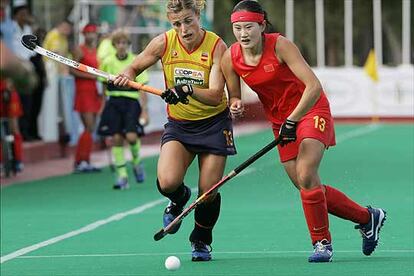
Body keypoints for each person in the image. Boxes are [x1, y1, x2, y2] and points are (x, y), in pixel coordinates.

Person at [221, 0, 386, 263]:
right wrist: (235, 104)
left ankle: (322, 244)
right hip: (280, 121)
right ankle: (368, 218)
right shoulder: (231, 57)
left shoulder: (280, 45)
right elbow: (234, 94)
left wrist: (293, 119)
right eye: (238, 28)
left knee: (306, 173)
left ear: (261, 25)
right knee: (305, 185)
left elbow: (313, 86)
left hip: (310, 109)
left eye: (249, 27)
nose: (243, 33)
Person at [113, 0, 236, 262]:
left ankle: (201, 240)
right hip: (180, 126)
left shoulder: (216, 47)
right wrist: (125, 75)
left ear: (198, 16)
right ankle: (179, 199)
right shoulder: (163, 43)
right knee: (167, 182)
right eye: (177, 24)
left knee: (208, 192)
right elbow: (134, 67)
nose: (183, 29)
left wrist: (186, 89)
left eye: (188, 21)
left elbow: (215, 96)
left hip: (214, 124)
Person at [98, 29, 148, 189]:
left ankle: (136, 162)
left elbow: (142, 87)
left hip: (131, 103)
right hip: (114, 102)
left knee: (132, 137)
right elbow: (103, 84)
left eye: (124, 43)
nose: (121, 46)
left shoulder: (135, 61)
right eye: (118, 43)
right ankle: (122, 177)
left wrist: (145, 110)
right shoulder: (107, 61)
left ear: (128, 45)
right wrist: (102, 105)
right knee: (117, 138)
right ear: (114, 45)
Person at [70, 23, 103, 173]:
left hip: (94, 91)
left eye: (93, 33)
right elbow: (72, 70)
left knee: (92, 128)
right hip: (83, 91)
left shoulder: (97, 51)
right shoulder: (79, 50)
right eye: (88, 33)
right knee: (88, 126)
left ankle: (85, 160)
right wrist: (91, 76)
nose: (91, 36)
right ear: (84, 35)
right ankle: (80, 161)